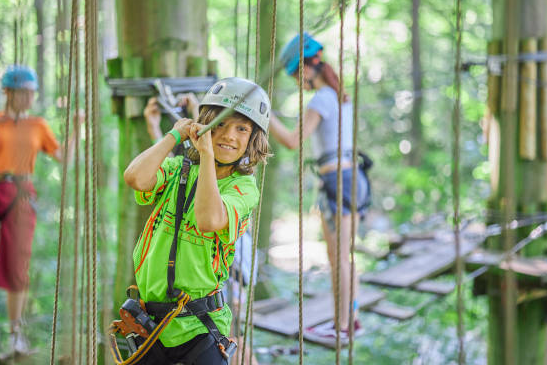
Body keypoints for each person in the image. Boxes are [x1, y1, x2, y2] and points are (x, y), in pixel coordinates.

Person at [122, 77, 271, 364]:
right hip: (151, 323)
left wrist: (206, 152)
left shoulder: (243, 187)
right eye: (221, 125)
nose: (229, 135)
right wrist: (173, 136)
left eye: (242, 128)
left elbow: (208, 219)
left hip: (200, 327)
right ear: (204, 126)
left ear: (253, 139)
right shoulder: (179, 169)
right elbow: (135, 178)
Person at [0, 65, 81, 359]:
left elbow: (65, 159)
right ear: (8, 93)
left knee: (17, 268)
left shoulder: (37, 126)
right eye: (24, 92)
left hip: (20, 195)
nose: (30, 98)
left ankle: (15, 338)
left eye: (32, 93)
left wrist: (76, 129)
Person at [269, 33, 371, 340]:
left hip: (338, 180)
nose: (297, 81)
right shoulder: (339, 96)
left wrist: (263, 111)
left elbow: (291, 141)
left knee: (340, 257)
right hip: (349, 179)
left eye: (296, 74)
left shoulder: (323, 98)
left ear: (307, 67)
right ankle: (348, 319)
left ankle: (344, 325)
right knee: (341, 256)